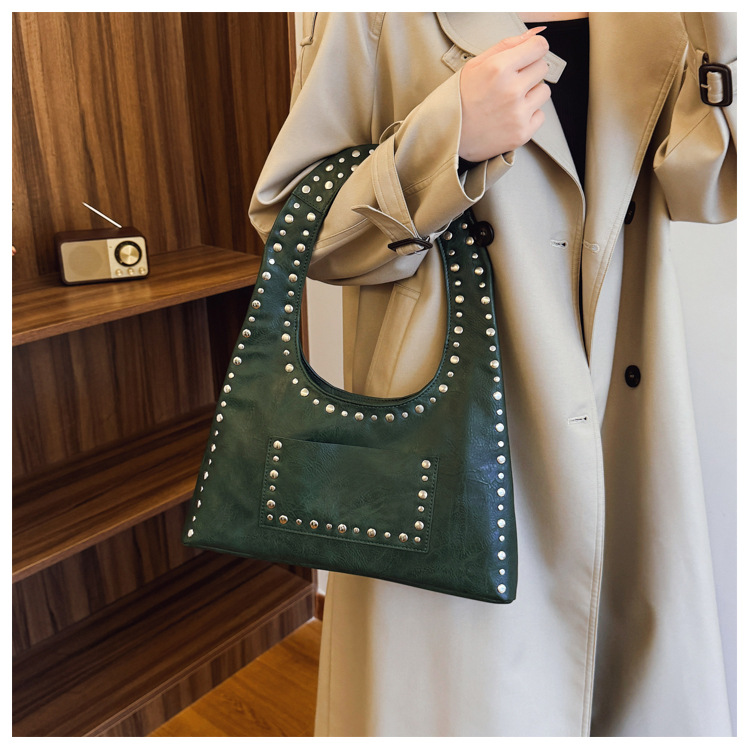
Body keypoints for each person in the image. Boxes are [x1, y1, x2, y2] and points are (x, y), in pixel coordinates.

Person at [249, 12, 736, 737]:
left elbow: (709, 190)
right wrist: (447, 140)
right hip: (454, 441)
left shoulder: (663, 15)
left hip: (623, 410)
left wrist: (720, 33)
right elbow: (293, 224)